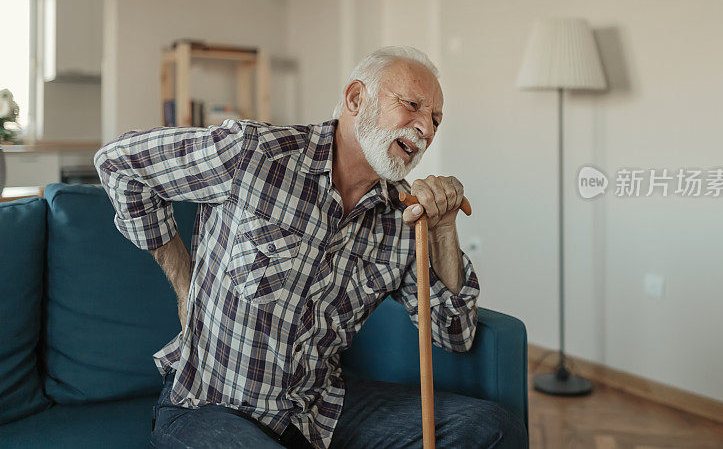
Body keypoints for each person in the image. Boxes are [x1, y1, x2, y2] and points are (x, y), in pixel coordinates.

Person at [94, 46, 527, 448]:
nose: (426, 127)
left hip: (316, 411)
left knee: (493, 427)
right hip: (208, 405)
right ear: (357, 99)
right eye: (412, 105)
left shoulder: (403, 218)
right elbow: (117, 162)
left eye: (436, 118)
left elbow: (455, 334)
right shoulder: (253, 153)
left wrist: (444, 229)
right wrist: (183, 280)